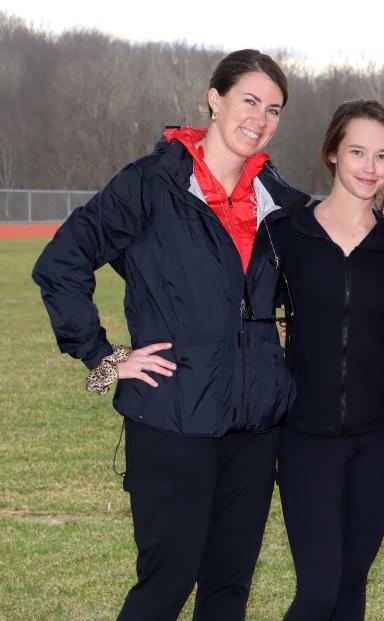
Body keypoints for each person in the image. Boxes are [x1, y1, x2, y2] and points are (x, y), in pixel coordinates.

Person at [32, 49, 309, 620]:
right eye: (249, 101)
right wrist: (104, 358)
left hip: (255, 426)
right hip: (173, 417)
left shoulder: (279, 202)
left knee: (228, 589)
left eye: (274, 109)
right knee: (166, 584)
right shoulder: (152, 184)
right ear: (215, 98)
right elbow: (61, 263)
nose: (260, 118)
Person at [266, 99, 384, 620]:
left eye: (382, 156)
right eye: (357, 151)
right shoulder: (286, 235)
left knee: (352, 588)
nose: (370, 168)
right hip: (305, 436)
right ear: (332, 152)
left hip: (378, 438)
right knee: (318, 591)